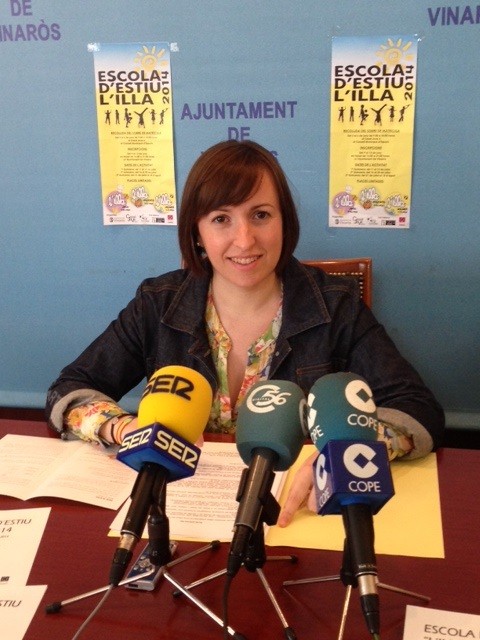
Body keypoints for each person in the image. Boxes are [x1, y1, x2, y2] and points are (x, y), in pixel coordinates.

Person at [45, 139, 445, 526]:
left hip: (296, 518)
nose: (245, 240)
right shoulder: (158, 303)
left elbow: (418, 410)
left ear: (284, 222)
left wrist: (343, 456)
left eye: (261, 215)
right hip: (181, 515)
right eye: (221, 219)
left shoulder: (336, 305)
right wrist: (123, 429)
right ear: (197, 233)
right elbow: (69, 390)